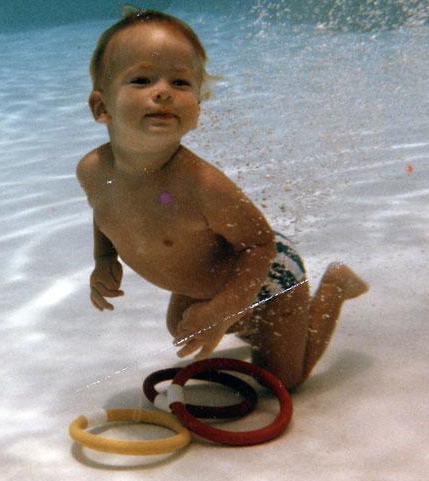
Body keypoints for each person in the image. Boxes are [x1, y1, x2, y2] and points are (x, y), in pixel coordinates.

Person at [76, 9, 368, 390]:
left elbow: (260, 243)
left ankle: (335, 285)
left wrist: (224, 308)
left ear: (196, 110)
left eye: (180, 82)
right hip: (207, 285)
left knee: (284, 380)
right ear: (102, 107)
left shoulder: (201, 185)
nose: (163, 91)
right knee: (181, 331)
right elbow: (104, 208)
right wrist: (104, 258)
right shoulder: (92, 171)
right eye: (142, 79)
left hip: (268, 276)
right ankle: (257, 327)